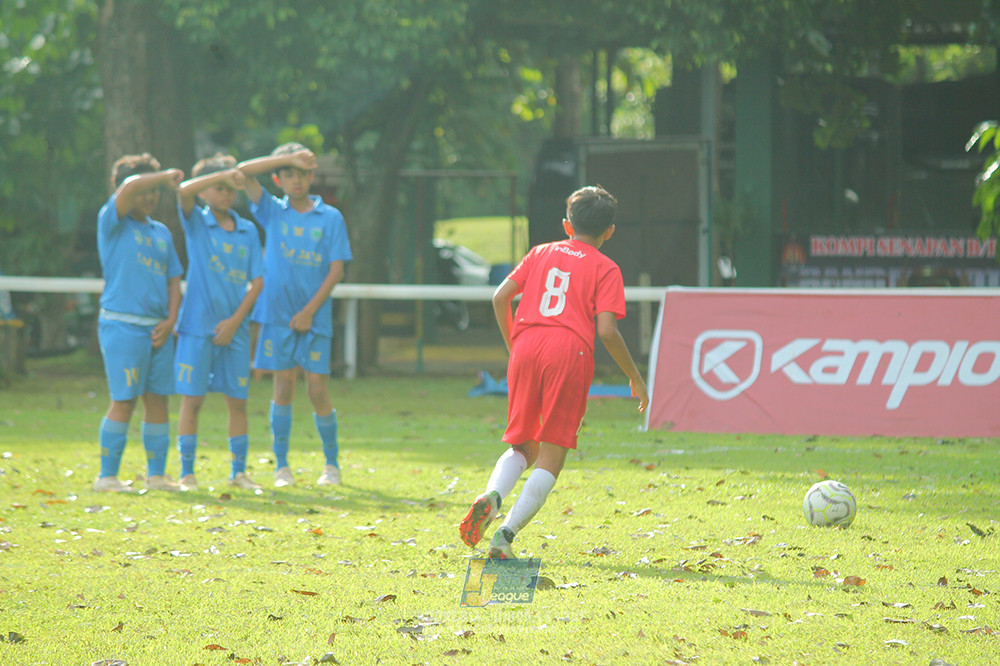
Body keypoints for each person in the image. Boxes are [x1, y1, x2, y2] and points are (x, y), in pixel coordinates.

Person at [459, 185, 649, 558]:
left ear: (567, 225)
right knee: (553, 451)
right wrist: (635, 377)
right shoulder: (606, 267)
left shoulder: (540, 252)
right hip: (568, 350)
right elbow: (607, 331)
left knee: (523, 444)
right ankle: (505, 536)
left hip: (526, 343)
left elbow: (500, 297)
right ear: (609, 231)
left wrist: (516, 346)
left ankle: (492, 496)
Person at [237, 144, 352, 487]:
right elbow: (243, 171)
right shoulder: (272, 212)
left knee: (316, 389)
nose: (296, 179)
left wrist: (308, 311)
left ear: (312, 176)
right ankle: (281, 467)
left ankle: (331, 465)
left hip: (313, 318)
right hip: (276, 316)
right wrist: (286, 157)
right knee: (283, 386)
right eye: (288, 173)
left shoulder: (330, 217)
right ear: (278, 178)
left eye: (302, 172)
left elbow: (336, 270)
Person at [93, 154, 185, 492]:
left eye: (155, 191)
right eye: (146, 189)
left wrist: (171, 319)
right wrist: (161, 176)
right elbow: (131, 185)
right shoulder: (111, 220)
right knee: (125, 400)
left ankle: (157, 475)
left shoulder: (161, 233)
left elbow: (174, 280)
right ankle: (107, 477)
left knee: (158, 399)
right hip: (122, 326)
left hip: (158, 329)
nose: (150, 196)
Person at [174, 154, 265, 491]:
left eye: (231, 188)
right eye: (219, 187)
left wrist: (234, 322)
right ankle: (187, 473)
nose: (227, 194)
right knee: (192, 400)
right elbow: (183, 191)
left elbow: (258, 282)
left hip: (236, 330)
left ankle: (239, 472)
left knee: (237, 400)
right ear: (205, 192)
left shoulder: (247, 231)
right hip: (197, 327)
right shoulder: (197, 223)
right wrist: (221, 173)